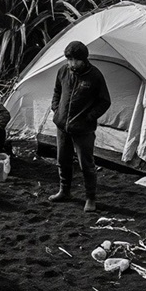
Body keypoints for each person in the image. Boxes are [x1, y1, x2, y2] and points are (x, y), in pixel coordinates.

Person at [48, 40, 112, 213]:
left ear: (84, 59)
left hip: (83, 130)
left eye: (75, 60)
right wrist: (56, 109)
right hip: (62, 126)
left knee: (86, 164)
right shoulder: (63, 71)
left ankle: (90, 198)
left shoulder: (95, 76)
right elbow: (57, 91)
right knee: (63, 160)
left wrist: (89, 117)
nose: (72, 64)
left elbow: (105, 101)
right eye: (69, 60)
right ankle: (64, 191)